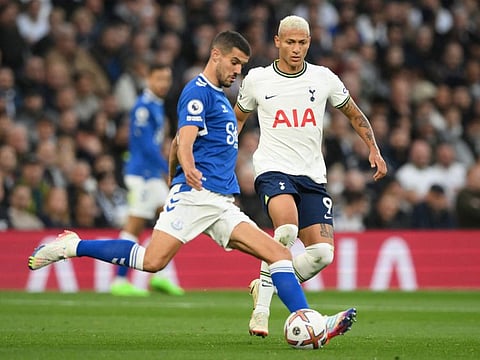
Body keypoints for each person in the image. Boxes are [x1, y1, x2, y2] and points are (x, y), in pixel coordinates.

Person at [28, 30, 356, 345]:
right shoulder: (197, 92)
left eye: (242, 65)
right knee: (152, 261)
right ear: (216, 55)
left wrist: (175, 173)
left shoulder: (217, 96)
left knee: (278, 253)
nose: (238, 71)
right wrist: (186, 174)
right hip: (197, 197)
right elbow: (183, 141)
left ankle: (309, 318)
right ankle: (73, 246)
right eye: (234, 62)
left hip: (220, 202)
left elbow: (174, 145)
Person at [234, 15, 386, 337]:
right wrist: (220, 160)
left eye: (302, 42)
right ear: (277, 42)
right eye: (290, 42)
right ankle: (261, 312)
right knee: (285, 229)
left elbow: (354, 113)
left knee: (321, 255)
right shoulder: (258, 80)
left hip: (312, 175)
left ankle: (264, 287)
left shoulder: (323, 78)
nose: (296, 49)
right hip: (273, 168)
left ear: (309, 43)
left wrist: (373, 147)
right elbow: (236, 122)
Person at [110, 62, 185, 297]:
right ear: (148, 79)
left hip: (150, 174)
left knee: (168, 218)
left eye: (167, 79)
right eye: (159, 79)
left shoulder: (156, 105)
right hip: (142, 175)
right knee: (134, 225)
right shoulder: (143, 107)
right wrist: (167, 167)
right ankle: (119, 280)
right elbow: (144, 146)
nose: (164, 84)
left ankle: (159, 277)